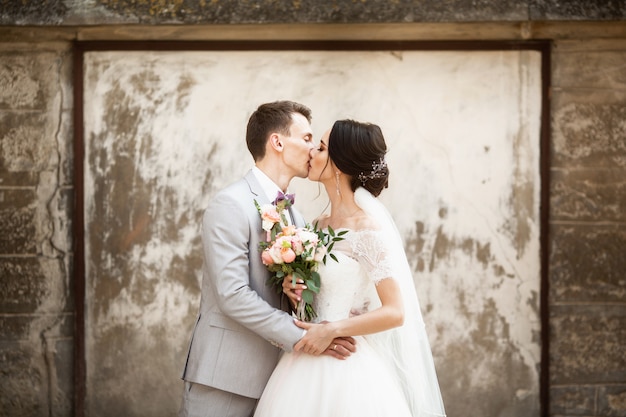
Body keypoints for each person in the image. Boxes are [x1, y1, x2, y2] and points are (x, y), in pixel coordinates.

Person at [253, 119, 446, 417]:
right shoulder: (315, 226)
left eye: (320, 147)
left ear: (339, 164)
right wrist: (295, 289)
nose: (311, 153)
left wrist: (333, 330)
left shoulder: (367, 231)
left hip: (347, 365)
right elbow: (315, 293)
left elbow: (395, 311)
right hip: (301, 361)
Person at [179, 101, 356, 417]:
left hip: (281, 382)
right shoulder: (230, 204)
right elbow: (232, 295)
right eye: (306, 138)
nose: (313, 148)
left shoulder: (298, 218)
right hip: (226, 377)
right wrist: (303, 335)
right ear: (277, 142)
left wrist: (325, 318)